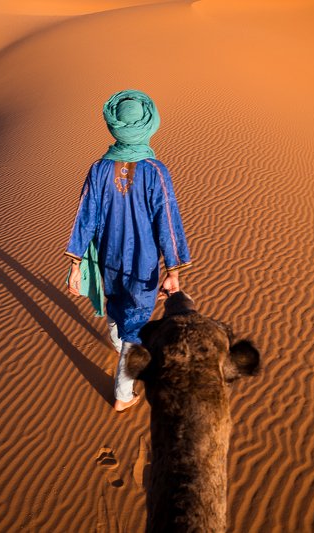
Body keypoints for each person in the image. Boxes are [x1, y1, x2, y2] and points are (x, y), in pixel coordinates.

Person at [64, 89, 191, 412]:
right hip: (142, 263)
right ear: (148, 125)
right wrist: (173, 272)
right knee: (136, 324)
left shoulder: (99, 169)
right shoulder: (156, 171)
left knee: (115, 302)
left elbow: (85, 216)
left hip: (108, 258)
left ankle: (117, 342)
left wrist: (77, 263)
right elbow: (168, 221)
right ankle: (123, 393)